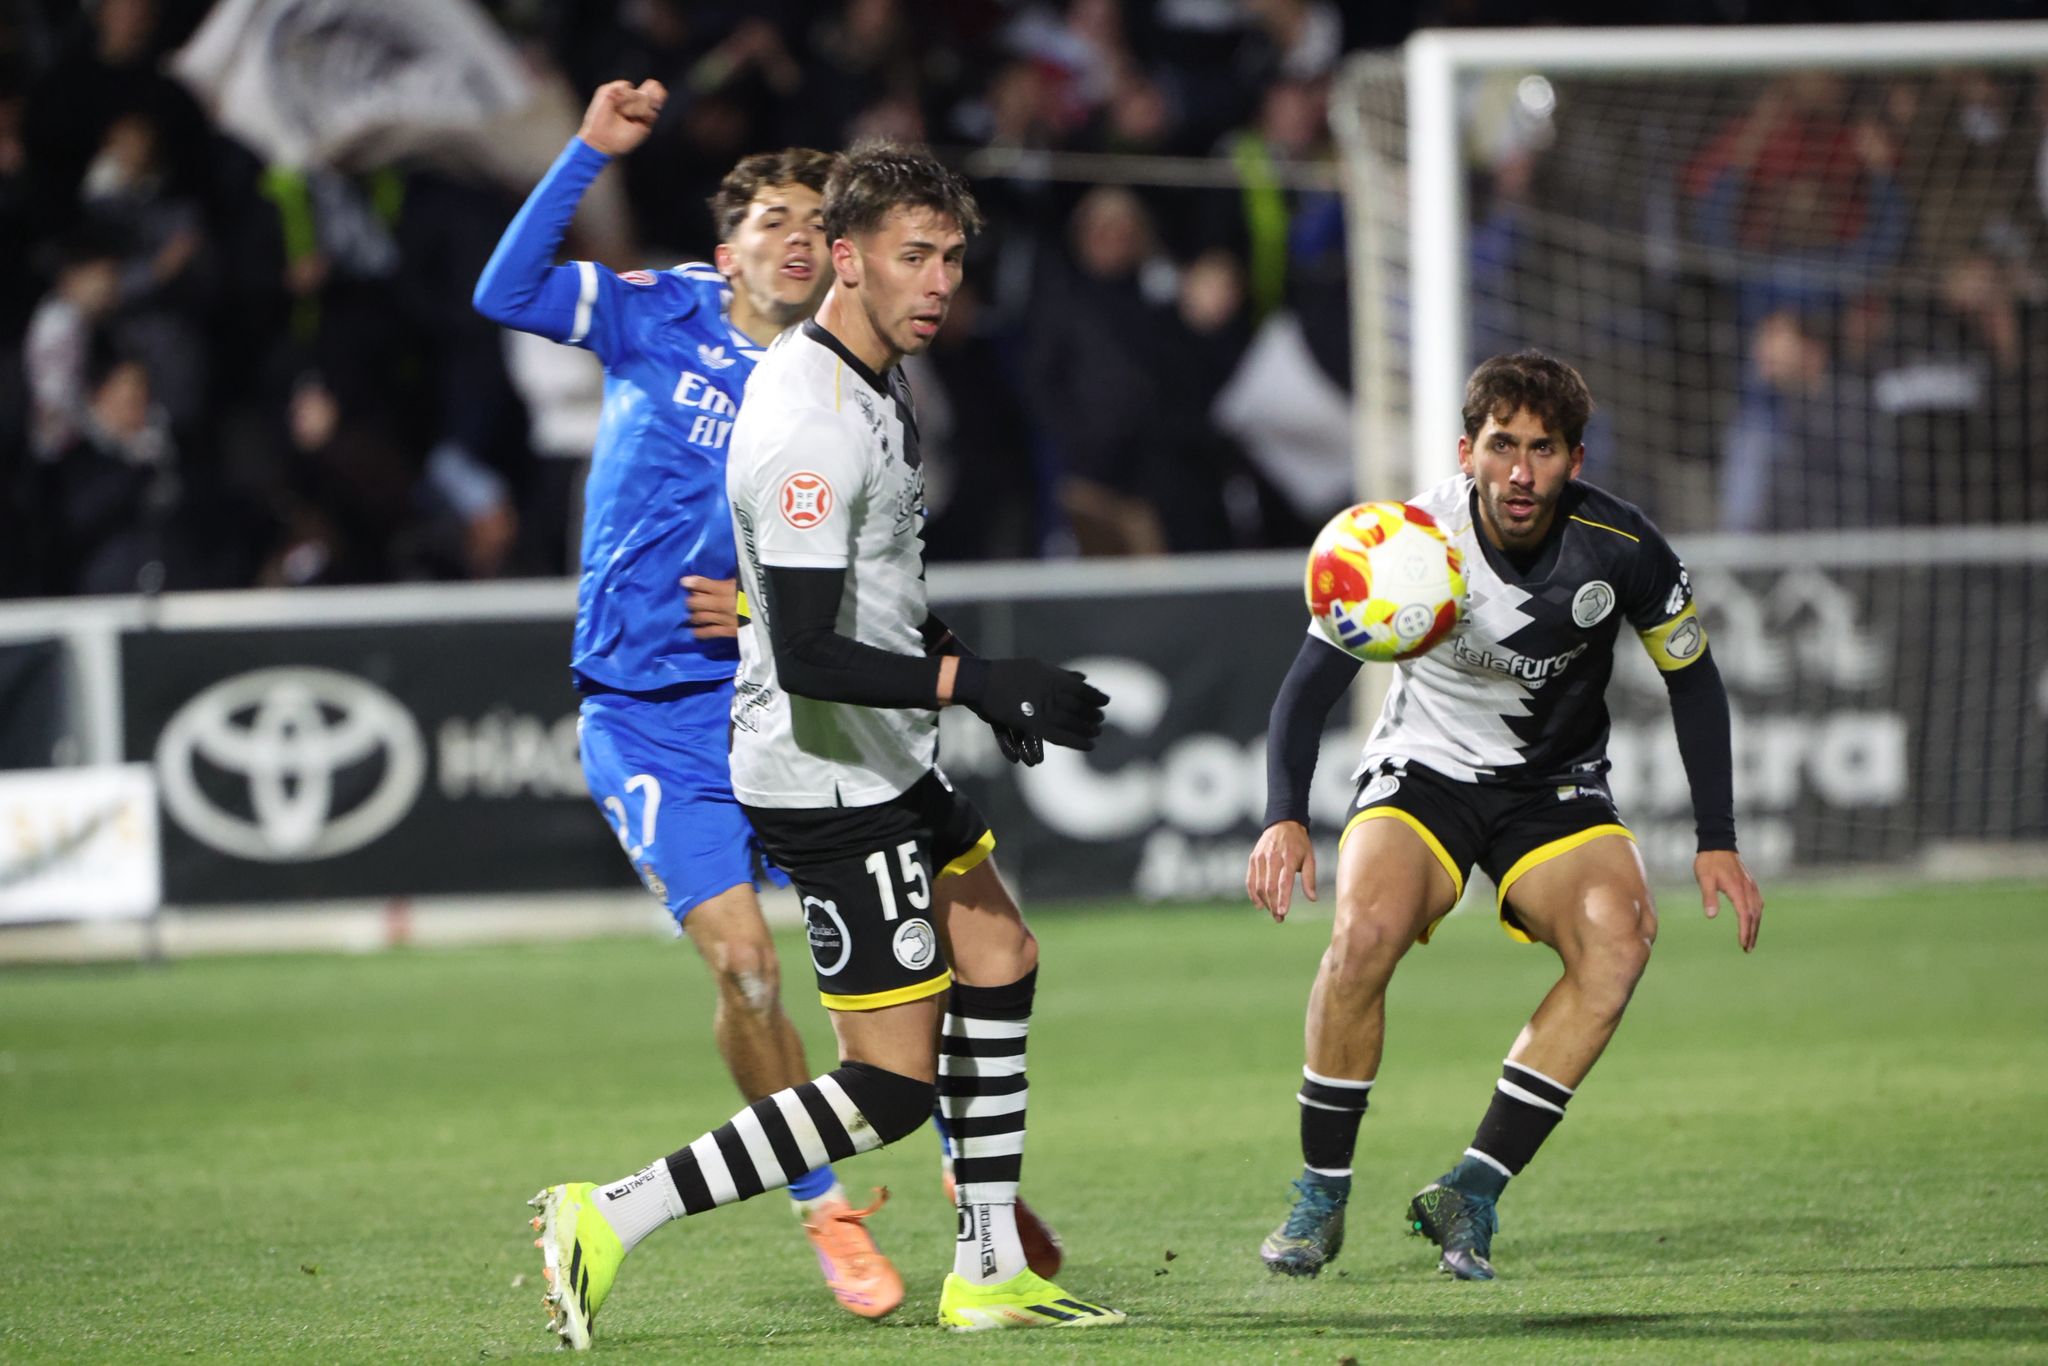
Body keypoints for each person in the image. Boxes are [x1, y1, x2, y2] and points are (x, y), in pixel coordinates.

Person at [474, 81, 1060, 1324]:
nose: (793, 238)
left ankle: (981, 1227)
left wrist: (918, 655)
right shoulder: (683, 330)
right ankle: (806, 1205)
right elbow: (505, 291)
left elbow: (849, 585)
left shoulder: (862, 376)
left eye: (812, 216)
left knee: (994, 953)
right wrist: (587, 154)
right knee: (768, 984)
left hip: (811, 702)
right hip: (682, 706)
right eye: (771, 220)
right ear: (728, 244)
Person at [1246, 351, 1764, 1281]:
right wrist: (1284, 814)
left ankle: (1471, 1191)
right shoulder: (1404, 543)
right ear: (1466, 451)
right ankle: (1320, 1196)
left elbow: (1694, 681)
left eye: (1543, 449)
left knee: (1621, 941)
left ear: (1575, 459)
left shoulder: (1624, 548)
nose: (1520, 472)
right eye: (1502, 446)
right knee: (1364, 933)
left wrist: (1716, 840)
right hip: (1424, 772)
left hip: (1554, 787)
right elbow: (1306, 687)